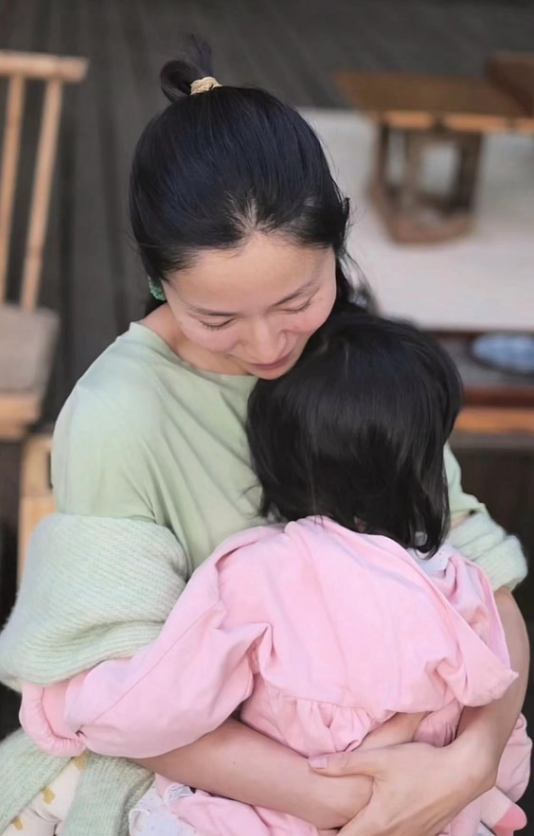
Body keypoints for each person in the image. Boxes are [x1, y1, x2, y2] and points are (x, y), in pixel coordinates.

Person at [0, 39, 528, 836]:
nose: (267, 346)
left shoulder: (354, 361)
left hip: (426, 769)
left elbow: (484, 580)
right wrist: (352, 802)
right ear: (156, 277)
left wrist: (473, 760)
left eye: (298, 298)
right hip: (209, 797)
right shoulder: (120, 415)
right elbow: (115, 694)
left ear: (336, 245)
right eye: (215, 318)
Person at [19, 311, 531, 836]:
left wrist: (67, 699)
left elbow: (157, 705)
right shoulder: (457, 579)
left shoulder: (259, 573)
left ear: (274, 465)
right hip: (427, 811)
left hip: (279, 813)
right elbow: (504, 726)